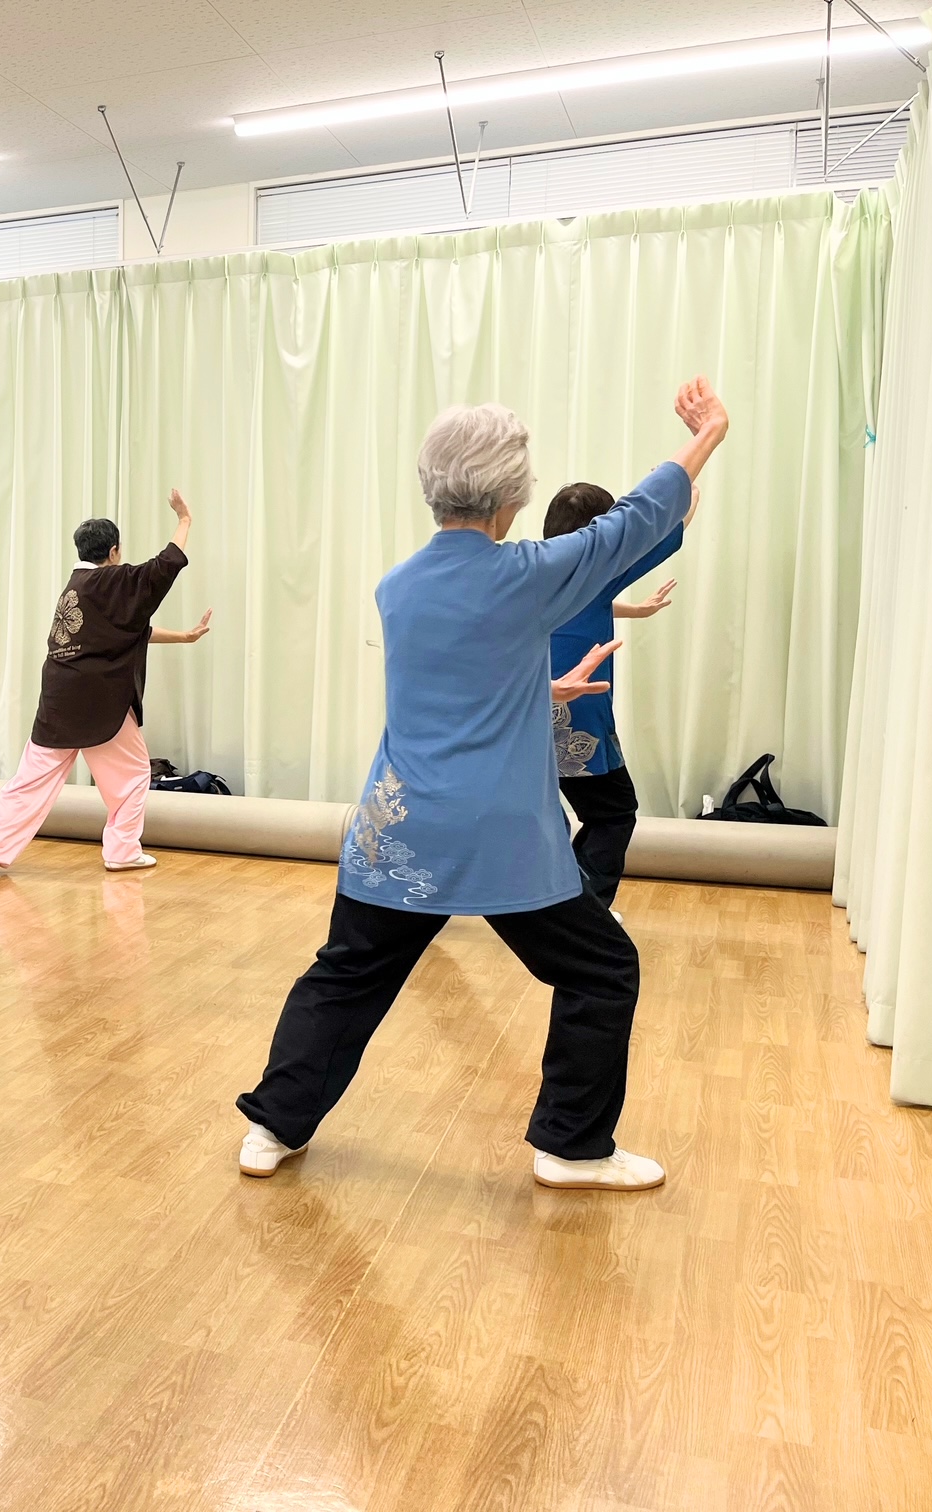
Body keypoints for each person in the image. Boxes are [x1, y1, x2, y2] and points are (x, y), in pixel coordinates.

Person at [236, 378, 730, 1194]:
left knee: (346, 974)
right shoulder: (529, 575)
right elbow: (637, 520)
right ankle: (572, 1147)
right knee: (602, 970)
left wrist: (544, 689)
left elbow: (458, 684)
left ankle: (272, 1126)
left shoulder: (398, 587)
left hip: (397, 830)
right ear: (511, 497)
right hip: (499, 839)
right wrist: (706, 434)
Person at [0, 490, 212, 877]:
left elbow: (122, 633)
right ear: (114, 551)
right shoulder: (118, 582)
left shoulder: (75, 587)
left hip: (59, 700)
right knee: (132, 776)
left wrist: (183, 637)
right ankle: (121, 851)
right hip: (103, 703)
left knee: (29, 783)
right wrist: (184, 519)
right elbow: (166, 564)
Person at [544, 479, 700, 914]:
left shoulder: (533, 569)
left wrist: (635, 609)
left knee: (544, 820)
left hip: (523, 716)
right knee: (614, 813)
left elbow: (584, 604)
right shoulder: (599, 570)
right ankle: (584, 912)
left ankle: (563, 903)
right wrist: (685, 484)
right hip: (579, 721)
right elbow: (675, 526)